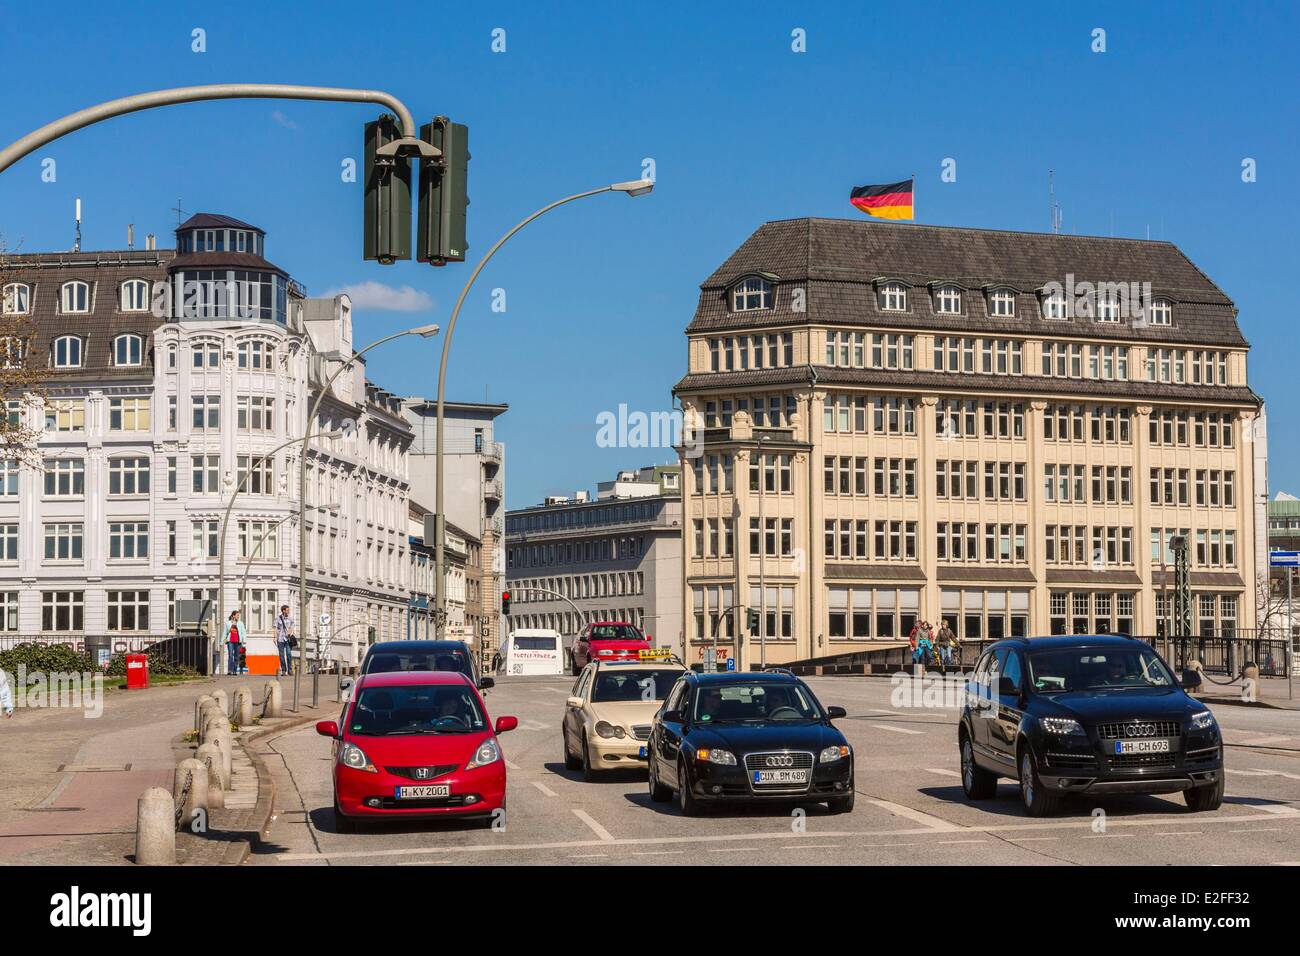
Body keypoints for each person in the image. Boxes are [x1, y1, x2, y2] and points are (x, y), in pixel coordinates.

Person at [274, 605, 295, 677]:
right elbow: (276, 628)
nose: (288, 611)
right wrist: (274, 637)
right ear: (283, 611)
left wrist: (290, 631)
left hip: (288, 639)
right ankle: (283, 670)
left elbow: (292, 627)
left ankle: (290, 670)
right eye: (287, 610)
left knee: (289, 654)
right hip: (280, 639)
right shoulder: (278, 619)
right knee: (281, 655)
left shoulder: (290, 619)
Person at [225, 610, 246, 675]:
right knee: (230, 655)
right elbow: (225, 632)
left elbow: (243, 632)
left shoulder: (240, 623)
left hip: (238, 642)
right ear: (233, 616)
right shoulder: (228, 623)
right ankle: (230, 670)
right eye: (237, 615)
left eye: (238, 615)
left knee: (236, 656)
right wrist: (221, 641)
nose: (238, 617)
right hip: (230, 641)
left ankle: (234, 670)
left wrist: (244, 640)